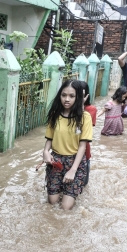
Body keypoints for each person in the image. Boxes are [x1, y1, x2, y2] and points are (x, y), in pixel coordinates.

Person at [43, 80, 93, 210]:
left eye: (71, 96)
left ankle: (72, 192)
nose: (67, 99)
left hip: (75, 161)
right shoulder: (55, 115)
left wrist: (73, 170)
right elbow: (49, 138)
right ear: (59, 95)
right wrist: (46, 152)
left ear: (78, 98)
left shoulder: (84, 117)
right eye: (63, 95)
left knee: (65, 208)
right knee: (52, 203)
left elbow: (83, 146)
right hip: (56, 161)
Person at [78, 81, 96, 186]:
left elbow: (82, 129)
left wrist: (80, 106)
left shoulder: (91, 110)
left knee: (83, 184)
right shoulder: (66, 109)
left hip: (84, 149)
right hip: (66, 151)